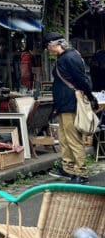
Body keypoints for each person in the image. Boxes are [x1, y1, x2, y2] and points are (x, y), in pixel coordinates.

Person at [46, 32, 98, 184]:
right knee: (64, 138)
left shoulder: (69, 57)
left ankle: (81, 171)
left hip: (70, 103)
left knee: (73, 138)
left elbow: (82, 79)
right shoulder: (65, 57)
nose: (48, 49)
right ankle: (68, 167)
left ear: (55, 44)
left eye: (48, 46)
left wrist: (90, 96)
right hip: (64, 103)